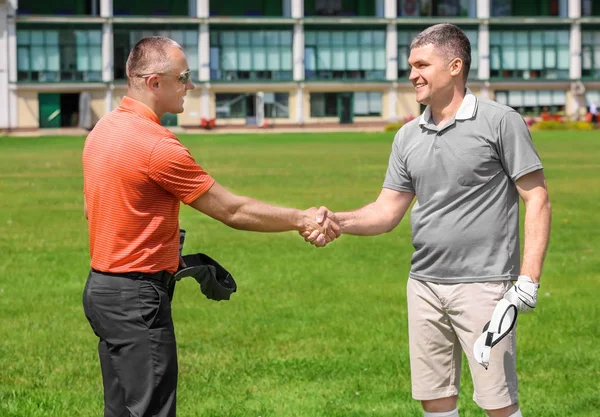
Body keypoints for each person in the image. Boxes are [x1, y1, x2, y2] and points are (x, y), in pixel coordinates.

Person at [81, 36, 339, 417]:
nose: (191, 86)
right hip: (137, 300)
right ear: (155, 82)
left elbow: (96, 212)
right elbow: (231, 211)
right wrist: (302, 218)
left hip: (103, 291)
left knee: (119, 410)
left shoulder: (103, 131)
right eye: (184, 77)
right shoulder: (157, 146)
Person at [305, 24, 551, 417]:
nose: (412, 74)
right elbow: (386, 212)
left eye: (422, 64)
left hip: (485, 287)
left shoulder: (501, 122)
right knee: (434, 400)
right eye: (410, 66)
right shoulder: (407, 136)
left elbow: (536, 197)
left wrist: (528, 280)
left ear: (455, 66)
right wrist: (337, 221)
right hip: (423, 286)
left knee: (498, 403)